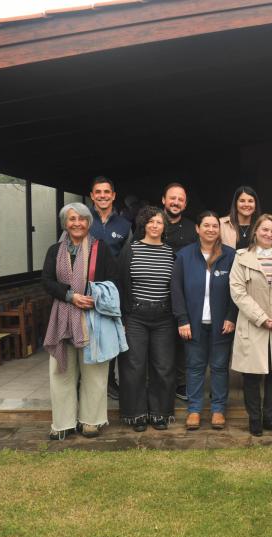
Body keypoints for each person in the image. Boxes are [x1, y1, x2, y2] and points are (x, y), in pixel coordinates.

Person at [42, 202, 118, 440]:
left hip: (93, 318)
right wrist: (69, 296)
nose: (77, 223)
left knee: (94, 372)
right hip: (62, 317)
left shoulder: (101, 248)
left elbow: (112, 281)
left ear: (89, 223)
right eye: (72, 219)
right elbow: (46, 280)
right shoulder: (54, 251)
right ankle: (62, 423)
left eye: (82, 219)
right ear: (65, 223)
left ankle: (91, 421)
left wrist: (94, 298)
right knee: (61, 371)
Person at [229, 214, 272, 436]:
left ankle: (271, 418)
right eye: (265, 230)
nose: (269, 234)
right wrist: (262, 317)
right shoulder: (241, 258)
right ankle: (255, 420)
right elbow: (238, 292)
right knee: (252, 375)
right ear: (256, 231)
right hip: (254, 324)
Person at [172, 211, 237, 431]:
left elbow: (237, 291)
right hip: (193, 323)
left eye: (214, 226)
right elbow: (176, 290)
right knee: (194, 367)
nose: (210, 229)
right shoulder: (184, 255)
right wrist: (182, 319)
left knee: (219, 367)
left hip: (221, 324)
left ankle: (218, 409)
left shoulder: (230, 255)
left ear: (219, 230)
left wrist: (231, 317)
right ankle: (194, 410)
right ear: (197, 229)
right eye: (206, 225)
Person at [116, 207, 177, 432]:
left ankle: (160, 413)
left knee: (163, 366)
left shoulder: (171, 253)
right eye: (150, 221)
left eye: (159, 222)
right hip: (135, 317)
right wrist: (121, 317)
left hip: (164, 317)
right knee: (134, 365)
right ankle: (136, 414)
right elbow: (121, 285)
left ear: (164, 226)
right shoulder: (130, 250)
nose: (154, 226)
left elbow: (176, 287)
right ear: (143, 224)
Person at [87, 176, 130, 400]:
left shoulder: (124, 225)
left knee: (110, 334)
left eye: (107, 192)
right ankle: (86, 383)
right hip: (85, 290)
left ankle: (110, 381)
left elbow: (128, 260)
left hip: (113, 290)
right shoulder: (83, 220)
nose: (102, 195)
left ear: (113, 195)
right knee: (86, 336)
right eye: (98, 192)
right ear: (92, 195)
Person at [160, 182, 197, 402]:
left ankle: (181, 383)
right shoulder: (150, 224)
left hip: (184, 293)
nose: (175, 202)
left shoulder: (193, 228)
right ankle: (161, 382)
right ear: (163, 200)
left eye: (180, 199)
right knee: (161, 341)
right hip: (156, 293)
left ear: (185, 203)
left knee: (183, 340)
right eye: (172, 198)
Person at [220, 185, 261, 250]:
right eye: (242, 201)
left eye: (250, 201)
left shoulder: (262, 225)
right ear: (235, 204)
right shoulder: (221, 224)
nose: (246, 204)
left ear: (255, 204)